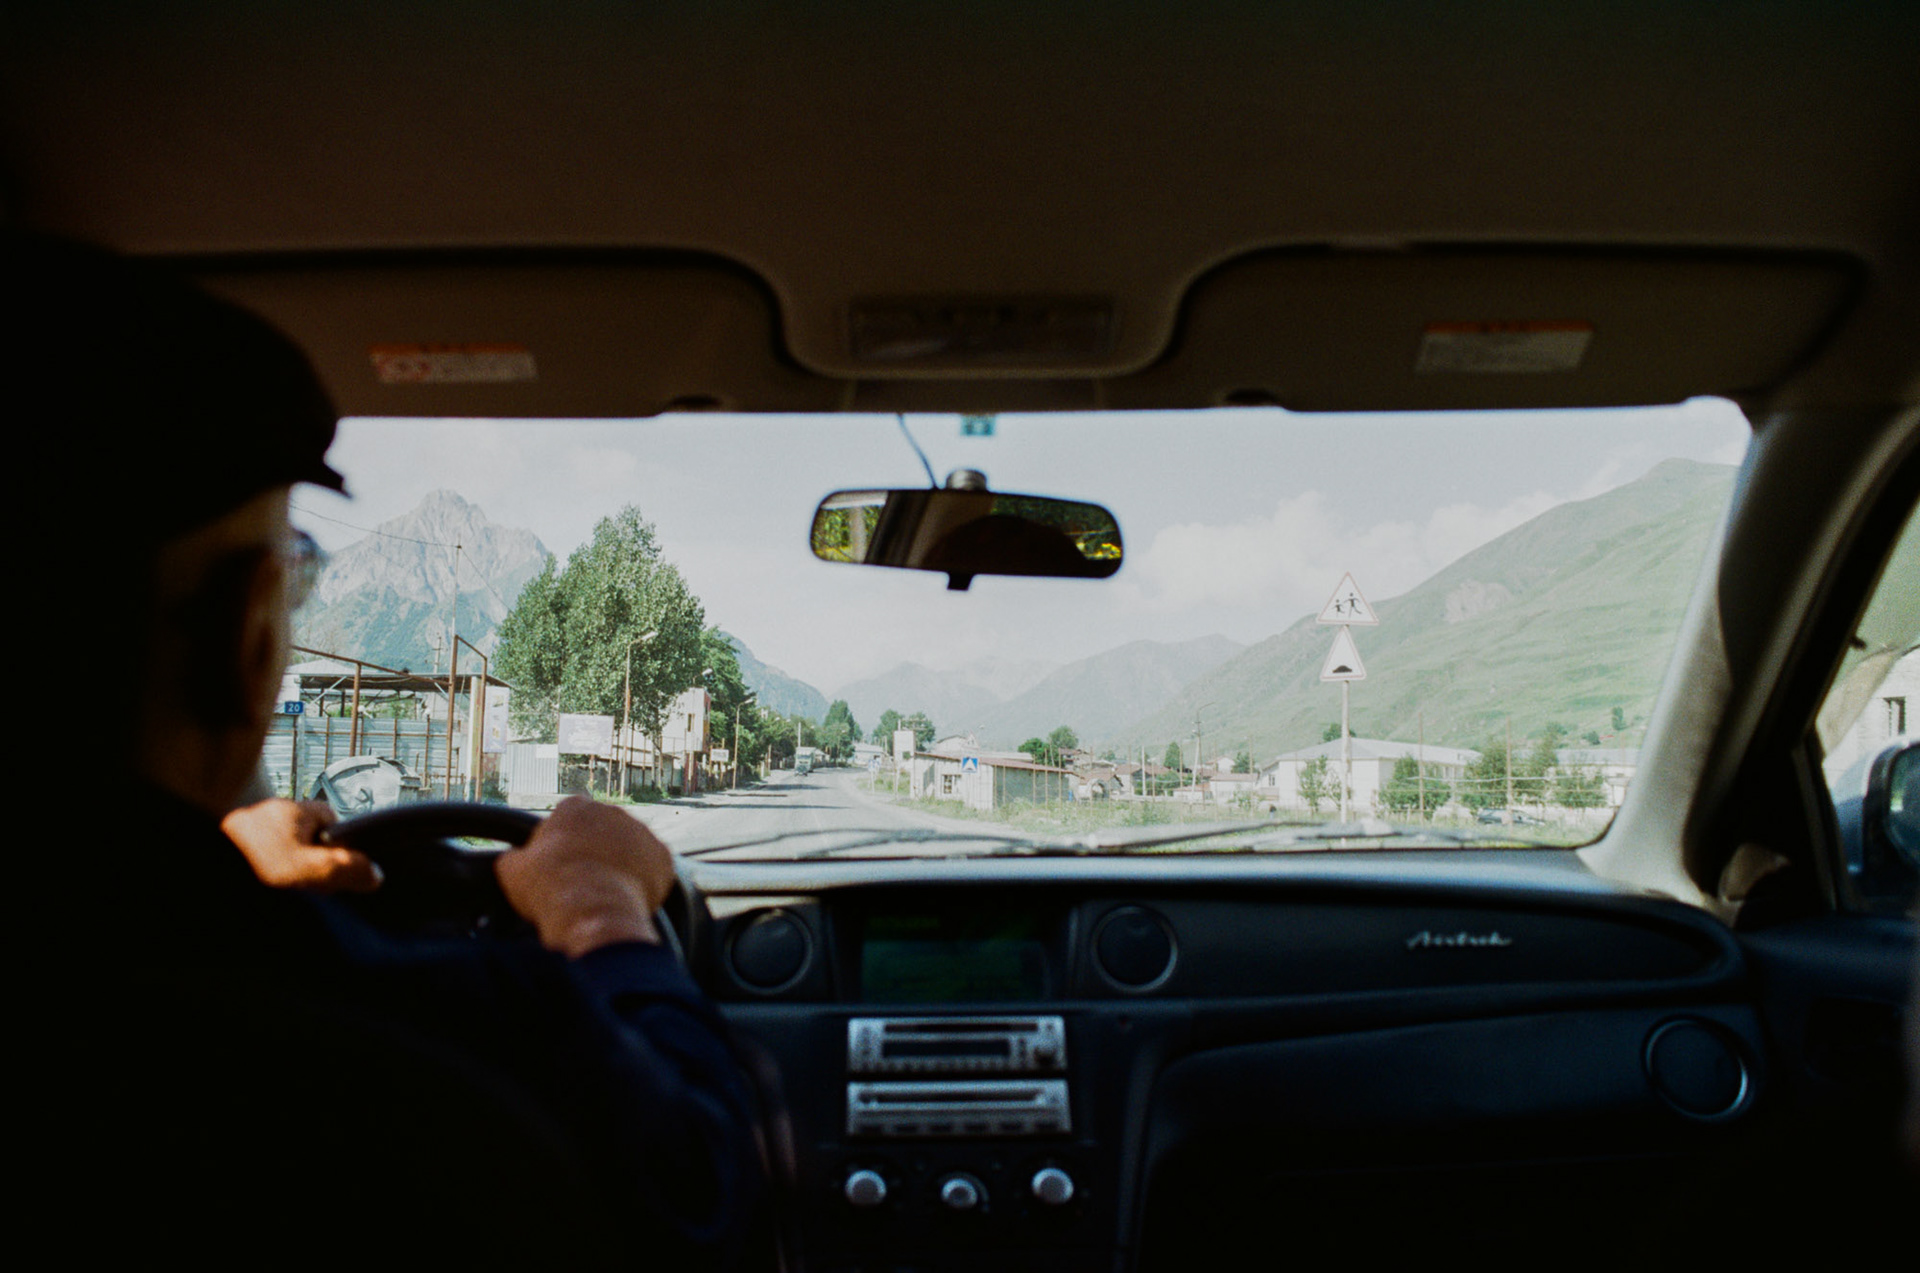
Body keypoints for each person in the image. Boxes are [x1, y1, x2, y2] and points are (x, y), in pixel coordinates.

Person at [20, 233, 769, 1265]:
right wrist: (598, 909)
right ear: (248, 635)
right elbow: (705, 1195)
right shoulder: (402, 1034)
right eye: (292, 573)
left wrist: (229, 869)